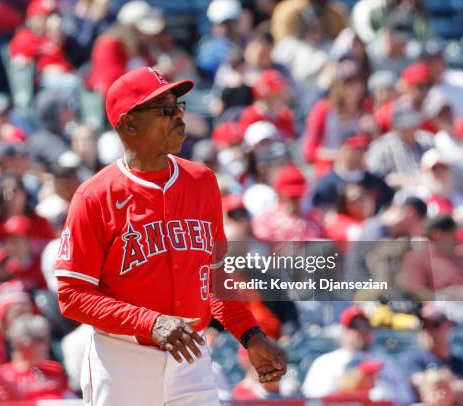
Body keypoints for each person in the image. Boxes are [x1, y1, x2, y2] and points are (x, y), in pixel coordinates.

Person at [55, 67, 286, 405]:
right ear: (128, 124)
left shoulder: (202, 181)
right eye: (164, 110)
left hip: (190, 355)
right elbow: (72, 294)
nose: (179, 116)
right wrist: (149, 322)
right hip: (123, 359)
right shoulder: (94, 196)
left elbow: (215, 277)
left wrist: (251, 336)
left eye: (179, 106)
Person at [302, 305, 413, 404]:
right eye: (354, 326)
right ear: (343, 332)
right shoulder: (326, 363)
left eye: (365, 325)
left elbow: (405, 398)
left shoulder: (387, 362)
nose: (361, 330)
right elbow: (314, 400)